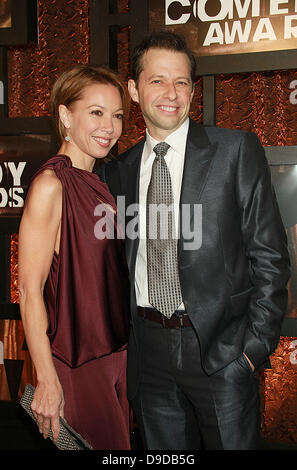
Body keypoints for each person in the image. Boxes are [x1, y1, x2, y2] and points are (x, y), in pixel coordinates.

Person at [101, 31, 291, 450]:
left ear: (192, 88)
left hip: (222, 353)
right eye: (157, 80)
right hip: (148, 356)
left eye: (182, 81)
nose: (171, 93)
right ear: (134, 90)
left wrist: (251, 351)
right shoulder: (118, 172)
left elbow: (271, 256)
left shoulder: (234, 149)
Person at [18, 65, 131, 450]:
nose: (110, 127)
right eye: (96, 112)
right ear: (66, 115)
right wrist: (46, 380)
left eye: (116, 115)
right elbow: (29, 290)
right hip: (79, 362)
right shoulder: (52, 185)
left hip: (118, 354)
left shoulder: (100, 183)